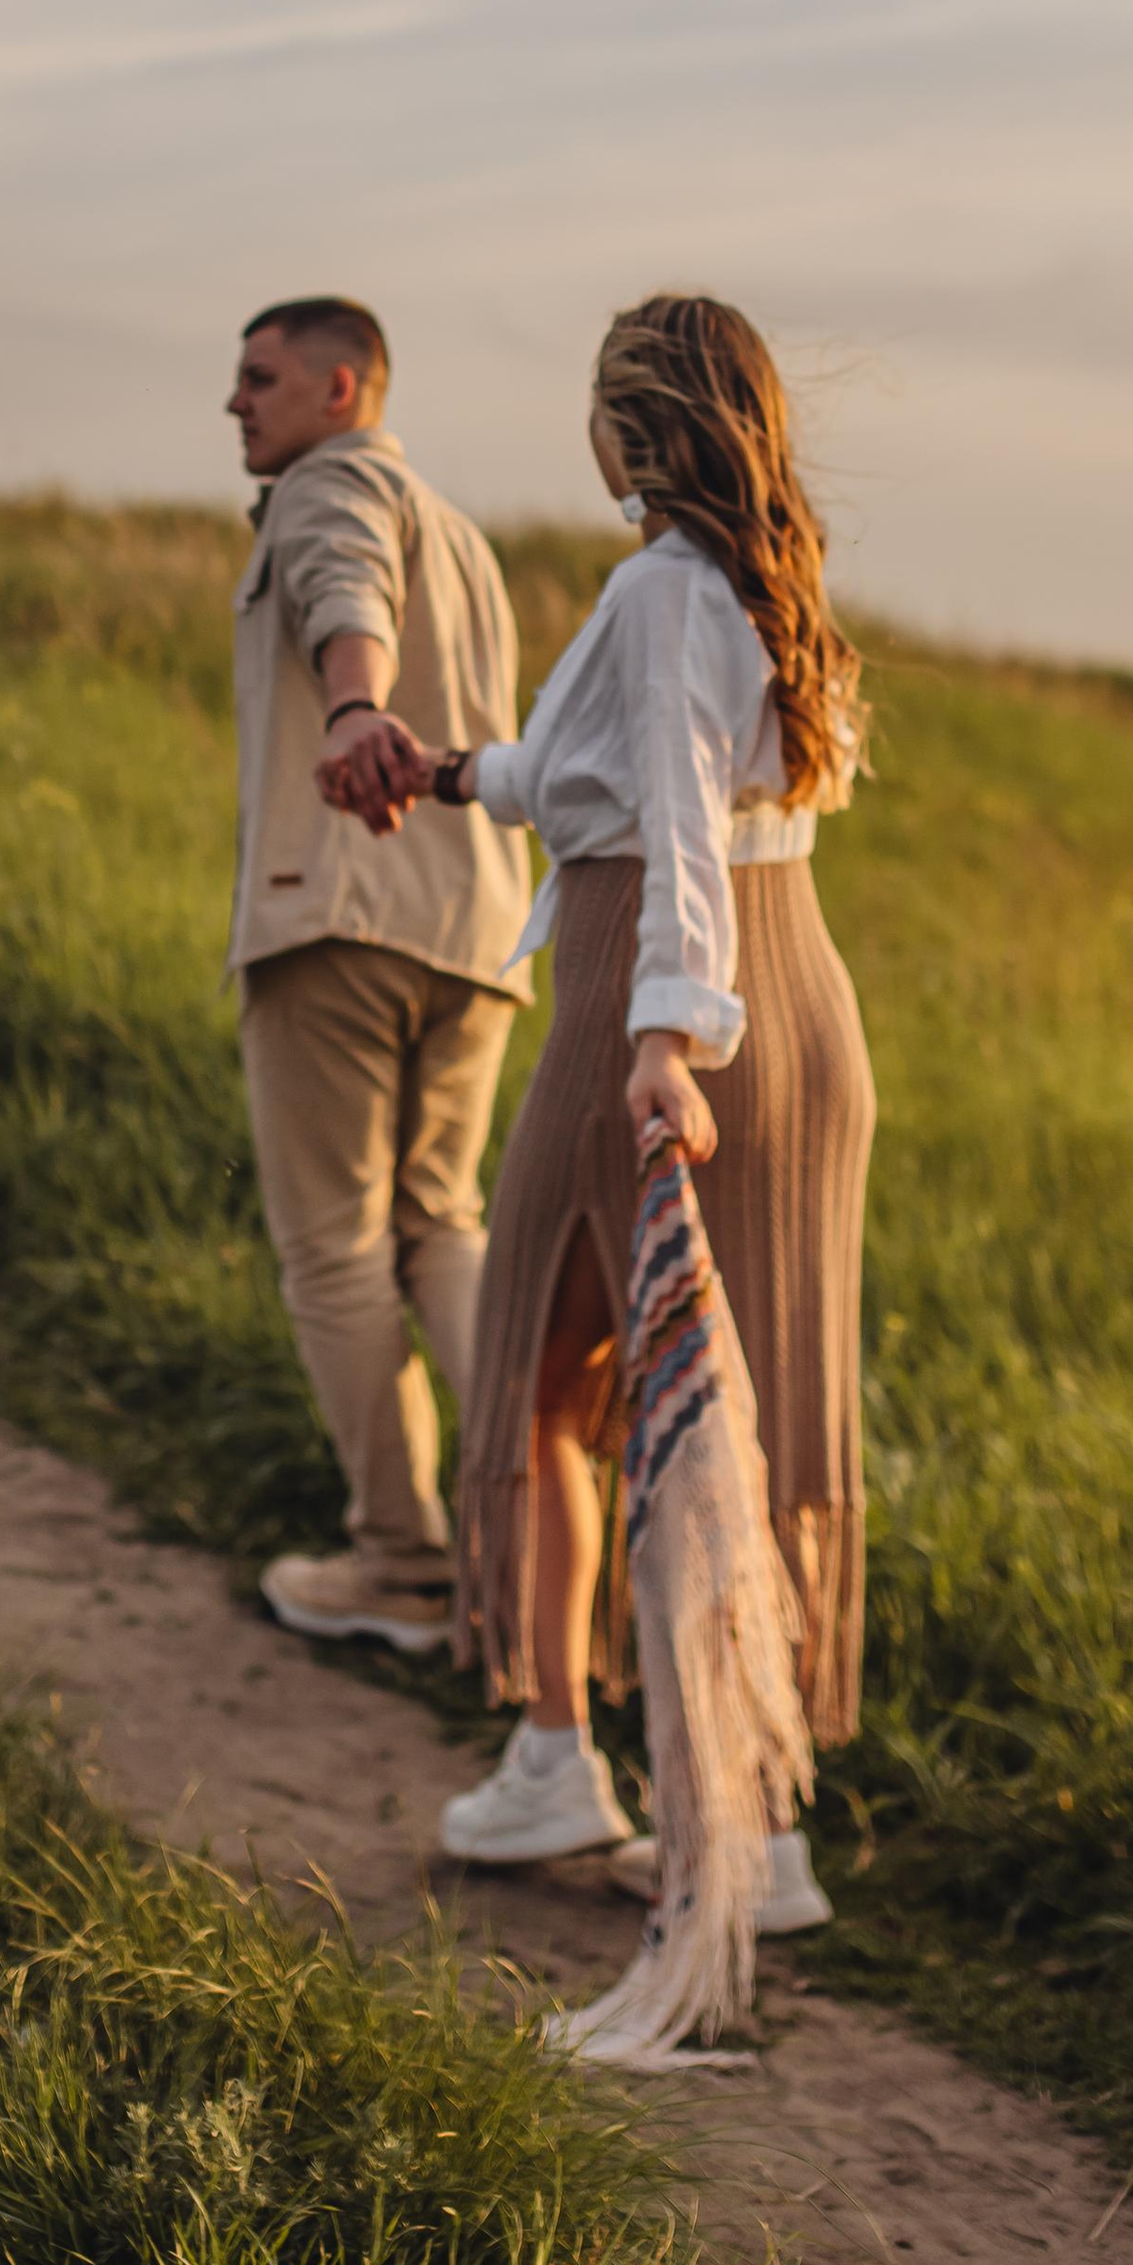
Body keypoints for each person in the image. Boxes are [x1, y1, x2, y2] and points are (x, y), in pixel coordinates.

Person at [319, 292, 873, 1932]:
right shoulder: (767, 587)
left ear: (631, 426)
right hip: (803, 1007)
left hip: (663, 988)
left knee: (547, 1387)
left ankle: (562, 1756)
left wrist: (665, 1040)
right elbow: (621, 777)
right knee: (748, 1402)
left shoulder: (656, 588)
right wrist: (448, 773)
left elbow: (679, 830)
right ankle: (759, 1828)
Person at [227, 296, 533, 1655]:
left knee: (336, 1246)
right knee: (442, 1225)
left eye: (259, 378)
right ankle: (544, 1528)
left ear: (342, 387)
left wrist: (354, 707)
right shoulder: (466, 538)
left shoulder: (327, 483)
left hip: (340, 911)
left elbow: (344, 583)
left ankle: (403, 1563)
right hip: (474, 934)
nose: (235, 404)